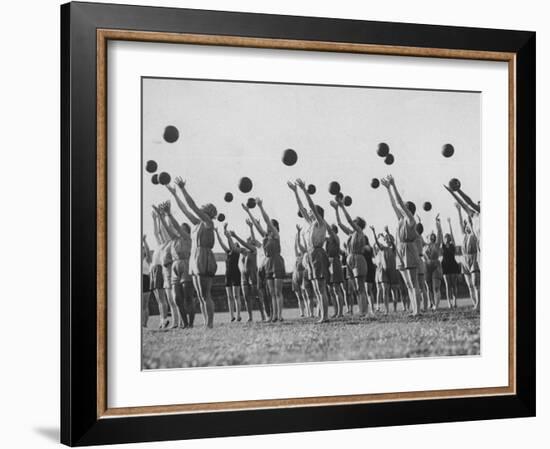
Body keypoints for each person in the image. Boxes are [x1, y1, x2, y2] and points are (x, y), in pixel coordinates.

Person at [171, 177, 217, 328]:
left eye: (204, 208)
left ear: (208, 212)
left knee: (206, 294)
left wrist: (183, 189)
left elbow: (192, 206)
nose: (201, 208)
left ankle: (209, 323)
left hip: (204, 257)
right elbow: (185, 210)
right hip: (195, 257)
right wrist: (175, 195)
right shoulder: (197, 224)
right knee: (200, 295)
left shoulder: (208, 223)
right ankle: (205, 322)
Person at [289, 179, 330, 323]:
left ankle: (325, 316)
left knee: (320, 287)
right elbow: (302, 208)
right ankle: (322, 315)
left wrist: (304, 190)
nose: (310, 212)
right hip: (310, 256)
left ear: (317, 213)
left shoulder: (320, 223)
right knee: (316, 289)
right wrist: (295, 192)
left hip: (318, 254)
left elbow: (310, 205)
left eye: (313, 211)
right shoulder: (310, 223)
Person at [380, 175, 421, 316]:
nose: (401, 207)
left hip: (409, 251)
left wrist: (394, 185)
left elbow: (399, 203)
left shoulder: (410, 220)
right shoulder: (400, 219)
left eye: (405, 206)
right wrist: (387, 189)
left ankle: (418, 311)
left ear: (409, 210)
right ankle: (414, 310)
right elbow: (394, 204)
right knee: (408, 284)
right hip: (400, 252)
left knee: (413, 282)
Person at [243, 199, 285, 322]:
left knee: (278, 291)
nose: (267, 227)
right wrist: (248, 212)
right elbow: (257, 226)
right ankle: (273, 315)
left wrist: (261, 206)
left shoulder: (276, 235)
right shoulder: (265, 237)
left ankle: (279, 315)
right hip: (268, 264)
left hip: (277, 262)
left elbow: (266, 220)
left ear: (275, 227)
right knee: (271, 292)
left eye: (270, 225)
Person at [331, 197, 369, 317]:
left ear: (359, 225)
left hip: (358, 259)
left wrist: (342, 206)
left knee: (360, 287)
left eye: (355, 222)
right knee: (355, 289)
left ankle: (364, 312)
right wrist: (336, 209)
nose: (353, 222)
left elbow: (348, 221)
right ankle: (362, 311)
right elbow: (340, 224)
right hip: (350, 260)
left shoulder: (359, 232)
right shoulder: (351, 233)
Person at [163, 201, 194, 328]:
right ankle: (184, 323)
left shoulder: (188, 238)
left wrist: (170, 214)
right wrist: (163, 216)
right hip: (175, 268)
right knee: (177, 299)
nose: (180, 229)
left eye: (183, 228)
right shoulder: (174, 239)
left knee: (188, 297)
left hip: (186, 265)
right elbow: (168, 228)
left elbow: (176, 226)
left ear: (187, 231)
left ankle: (190, 323)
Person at [230, 222, 268, 322]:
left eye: (250, 240)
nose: (248, 241)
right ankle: (250, 316)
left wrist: (237, 235)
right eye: (248, 240)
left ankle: (263, 315)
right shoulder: (243, 251)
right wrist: (228, 237)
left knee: (258, 297)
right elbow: (233, 248)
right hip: (244, 276)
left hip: (253, 275)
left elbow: (247, 242)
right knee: (247, 297)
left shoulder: (254, 250)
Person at [154, 202, 183, 329]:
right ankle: (175, 322)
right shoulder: (162, 244)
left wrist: (163, 216)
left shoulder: (171, 242)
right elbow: (159, 232)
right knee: (170, 300)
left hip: (171, 271)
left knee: (175, 299)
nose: (163, 234)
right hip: (165, 272)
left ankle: (181, 321)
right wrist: (158, 217)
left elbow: (165, 229)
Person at [215, 223, 243, 322]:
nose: (233, 245)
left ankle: (238, 315)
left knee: (236, 296)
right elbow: (222, 243)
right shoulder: (228, 252)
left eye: (235, 244)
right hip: (228, 274)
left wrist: (226, 230)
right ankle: (231, 316)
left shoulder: (237, 251)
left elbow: (229, 241)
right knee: (229, 296)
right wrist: (217, 233)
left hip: (236, 273)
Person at [455, 203, 480, 309]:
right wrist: (459, 211)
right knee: (469, 285)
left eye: (467, 224)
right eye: (465, 225)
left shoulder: (474, 234)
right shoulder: (463, 235)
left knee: (475, 283)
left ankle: (479, 304)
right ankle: (475, 303)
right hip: (465, 260)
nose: (466, 226)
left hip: (474, 258)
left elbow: (470, 221)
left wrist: (468, 218)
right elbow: (460, 223)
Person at [149, 210, 169, 329]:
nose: (160, 235)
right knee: (158, 299)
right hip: (154, 269)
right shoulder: (159, 244)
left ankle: (164, 319)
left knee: (162, 298)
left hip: (160, 269)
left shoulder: (167, 243)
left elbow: (161, 231)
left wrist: (161, 217)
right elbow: (156, 232)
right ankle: (162, 319)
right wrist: (154, 219)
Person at [370, 226, 395, 314]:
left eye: (388, 239)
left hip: (388, 271)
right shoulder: (382, 248)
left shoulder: (393, 249)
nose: (387, 240)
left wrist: (388, 232)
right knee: (379, 290)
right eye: (386, 239)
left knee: (385, 291)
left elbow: (393, 243)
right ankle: (379, 306)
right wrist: (374, 232)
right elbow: (375, 243)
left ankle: (386, 309)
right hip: (380, 271)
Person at [325, 224, 346, 318]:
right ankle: (336, 311)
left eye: (332, 230)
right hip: (328, 264)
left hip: (335, 263)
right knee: (331, 290)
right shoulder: (328, 241)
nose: (329, 231)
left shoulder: (336, 238)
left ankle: (340, 312)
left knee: (336, 288)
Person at [424, 214, 444, 310]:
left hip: (436, 265)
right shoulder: (425, 246)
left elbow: (439, 232)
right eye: (430, 236)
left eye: (433, 236)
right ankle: (431, 303)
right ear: (427, 238)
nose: (432, 236)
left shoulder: (437, 244)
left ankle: (437, 305)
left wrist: (437, 223)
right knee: (429, 288)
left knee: (436, 287)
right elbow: (417, 234)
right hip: (427, 267)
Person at [441, 217, 461, 308]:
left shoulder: (453, 245)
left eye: (448, 237)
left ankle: (455, 302)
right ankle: (449, 303)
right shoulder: (443, 246)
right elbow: (440, 234)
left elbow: (452, 235)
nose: (447, 239)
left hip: (453, 265)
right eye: (446, 238)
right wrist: (439, 223)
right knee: (447, 285)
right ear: (444, 240)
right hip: (445, 266)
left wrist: (449, 224)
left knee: (454, 285)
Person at [292, 225, 310, 317]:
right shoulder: (297, 256)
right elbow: (296, 246)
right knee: (299, 296)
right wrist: (296, 236)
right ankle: (302, 312)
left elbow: (302, 245)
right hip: (295, 276)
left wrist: (301, 236)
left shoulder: (304, 254)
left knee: (304, 295)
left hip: (302, 275)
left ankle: (308, 311)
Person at [142, 235, 152, 327]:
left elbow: (148, 252)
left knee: (145, 305)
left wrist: (144, 241)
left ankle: (144, 324)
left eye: (143, 249)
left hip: (145, 280)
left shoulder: (147, 260)